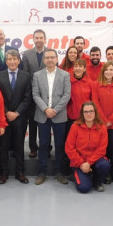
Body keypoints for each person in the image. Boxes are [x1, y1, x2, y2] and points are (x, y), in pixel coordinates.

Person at [32, 49, 71, 185]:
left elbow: (67, 95)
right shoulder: (37, 75)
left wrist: (55, 110)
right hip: (43, 115)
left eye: (52, 57)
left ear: (56, 59)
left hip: (59, 115)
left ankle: (59, 172)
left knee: (60, 145)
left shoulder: (65, 75)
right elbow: (35, 94)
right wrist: (46, 109)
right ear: (44, 60)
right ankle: (42, 172)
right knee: (43, 145)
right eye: (47, 58)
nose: (49, 60)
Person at [0, 50, 32, 184]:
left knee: (19, 146)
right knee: (3, 147)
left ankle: (20, 172)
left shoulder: (26, 76)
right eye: (9, 59)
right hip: (3, 118)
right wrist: (6, 112)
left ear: (19, 61)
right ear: (6, 61)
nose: (12, 61)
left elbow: (28, 98)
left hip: (20, 118)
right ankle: (3, 173)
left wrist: (16, 113)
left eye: (15, 59)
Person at [65, 102, 111, 193]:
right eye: (85, 112)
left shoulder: (102, 128)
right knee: (84, 188)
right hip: (79, 163)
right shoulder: (75, 127)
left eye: (91, 111)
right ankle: (83, 175)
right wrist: (82, 164)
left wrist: (89, 163)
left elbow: (102, 149)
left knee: (104, 165)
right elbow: (69, 148)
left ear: (95, 112)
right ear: (82, 114)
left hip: (94, 161)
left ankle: (97, 182)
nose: (88, 114)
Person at [92, 61, 113, 184]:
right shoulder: (96, 85)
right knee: (103, 149)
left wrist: (111, 120)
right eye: (106, 70)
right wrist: (104, 121)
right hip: (101, 124)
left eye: (111, 70)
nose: (109, 72)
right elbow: (95, 103)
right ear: (102, 71)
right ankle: (104, 174)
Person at [22, 29, 48, 158]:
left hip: (47, 95)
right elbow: (26, 74)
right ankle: (33, 148)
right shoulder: (26, 54)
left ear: (45, 39)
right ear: (33, 39)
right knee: (32, 123)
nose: (39, 40)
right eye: (36, 38)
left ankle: (46, 148)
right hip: (32, 94)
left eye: (41, 37)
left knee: (46, 123)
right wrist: (34, 89)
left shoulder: (51, 53)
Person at [66, 59, 93, 138]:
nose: (78, 68)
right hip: (71, 117)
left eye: (80, 66)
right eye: (76, 66)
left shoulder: (90, 83)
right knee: (71, 139)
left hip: (86, 117)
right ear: (73, 68)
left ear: (84, 69)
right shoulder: (68, 82)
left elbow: (93, 101)